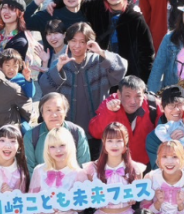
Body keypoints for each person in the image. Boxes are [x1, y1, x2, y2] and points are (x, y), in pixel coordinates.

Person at [38, 24, 127, 152]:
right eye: (73, 41)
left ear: (89, 43)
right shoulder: (62, 62)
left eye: (82, 42)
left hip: (98, 128)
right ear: (68, 41)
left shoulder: (99, 61)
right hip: (68, 130)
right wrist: (58, 68)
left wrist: (101, 52)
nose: (77, 46)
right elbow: (45, 87)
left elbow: (121, 70)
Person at [17, 128, 89, 214]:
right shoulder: (40, 170)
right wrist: (34, 209)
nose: (58, 150)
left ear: (70, 146)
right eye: (52, 147)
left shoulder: (79, 173)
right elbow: (32, 198)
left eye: (62, 145)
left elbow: (81, 206)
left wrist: (66, 205)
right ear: (47, 149)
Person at [86, 122, 146, 214]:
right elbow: (88, 197)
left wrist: (134, 199)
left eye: (119, 141)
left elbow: (140, 196)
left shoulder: (135, 169)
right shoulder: (92, 169)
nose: (114, 145)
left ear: (126, 142)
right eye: (110, 140)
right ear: (103, 142)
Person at [94, 0, 155, 82]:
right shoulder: (98, 13)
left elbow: (148, 53)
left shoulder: (135, 18)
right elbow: (76, 4)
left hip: (129, 76)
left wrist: (143, 81)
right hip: (104, 75)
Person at [23, 93, 91, 172]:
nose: (54, 115)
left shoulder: (77, 132)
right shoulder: (31, 136)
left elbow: (84, 166)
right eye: (49, 110)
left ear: (65, 112)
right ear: (42, 113)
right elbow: (29, 169)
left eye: (58, 110)